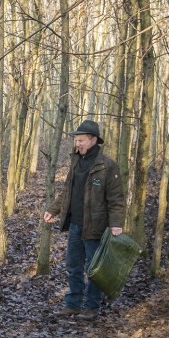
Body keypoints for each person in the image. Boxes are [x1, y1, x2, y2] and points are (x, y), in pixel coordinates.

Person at [43, 119, 125, 321]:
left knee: (94, 269)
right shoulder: (76, 162)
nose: (78, 144)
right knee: (73, 265)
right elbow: (67, 192)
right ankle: (73, 305)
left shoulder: (107, 166)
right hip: (75, 225)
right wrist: (53, 210)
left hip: (96, 227)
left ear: (93, 140)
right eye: (76, 140)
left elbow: (116, 199)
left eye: (81, 140)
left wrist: (116, 224)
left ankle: (91, 307)